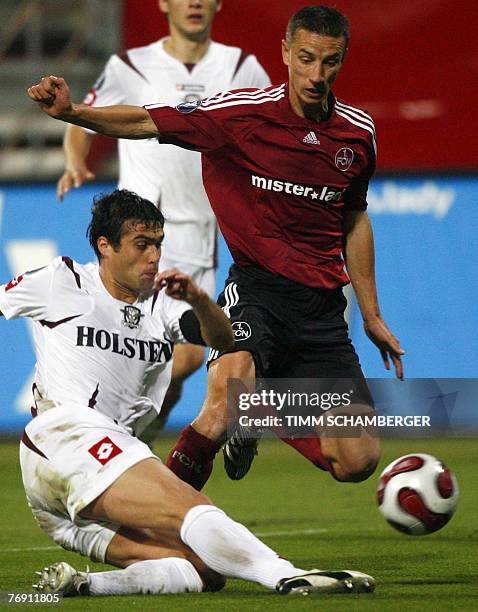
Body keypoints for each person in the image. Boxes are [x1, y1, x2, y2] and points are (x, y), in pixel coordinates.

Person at [27, 5, 405, 493]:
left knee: (356, 459)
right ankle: (159, 526)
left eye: (329, 62)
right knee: (220, 408)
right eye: (306, 58)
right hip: (256, 292)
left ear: (343, 60)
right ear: (286, 52)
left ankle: (260, 409)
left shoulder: (357, 134)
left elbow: (354, 218)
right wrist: (75, 114)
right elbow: (146, 121)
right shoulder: (239, 116)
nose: (316, 75)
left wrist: (371, 314)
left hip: (321, 313)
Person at [0, 190, 374, 597]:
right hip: (65, 436)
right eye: (142, 245)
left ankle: (84, 585)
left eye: (158, 245)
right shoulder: (62, 280)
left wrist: (197, 299)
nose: (154, 257)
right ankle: (286, 574)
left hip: (65, 499)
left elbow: (223, 339)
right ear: (104, 246)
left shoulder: (162, 303)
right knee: (191, 509)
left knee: (202, 569)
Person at [57, 0, 271, 434]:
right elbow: (83, 117)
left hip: (197, 230)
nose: (193, 2)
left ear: (217, 4)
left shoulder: (241, 68)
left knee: (187, 353)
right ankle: (127, 435)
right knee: (138, 345)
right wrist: (74, 160)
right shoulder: (132, 66)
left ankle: (135, 428)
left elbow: (270, 130)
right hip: (136, 234)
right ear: (163, 4)